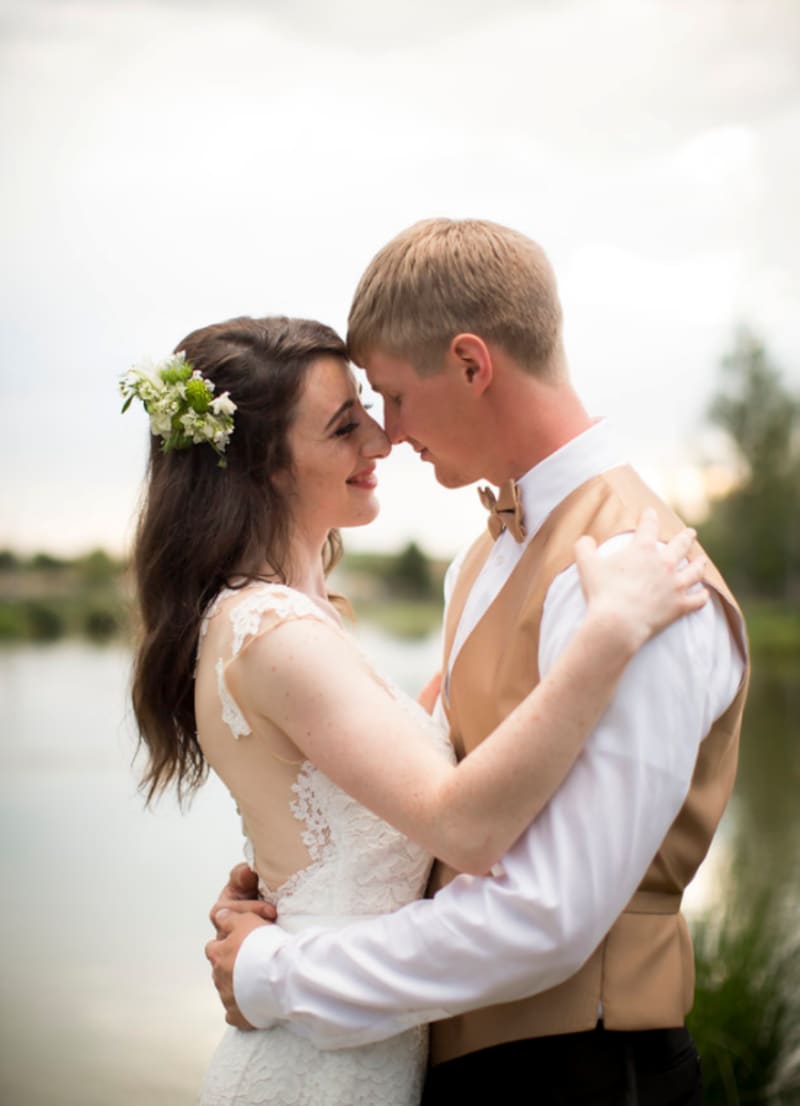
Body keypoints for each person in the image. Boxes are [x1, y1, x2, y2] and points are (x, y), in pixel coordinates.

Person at [205, 221, 749, 1106]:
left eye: (392, 396)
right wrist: (282, 897)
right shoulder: (482, 558)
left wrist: (281, 972)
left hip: (585, 1074)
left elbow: (548, 918)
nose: (387, 434)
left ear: (470, 364)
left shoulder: (641, 576)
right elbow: (429, 805)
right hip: (459, 1067)